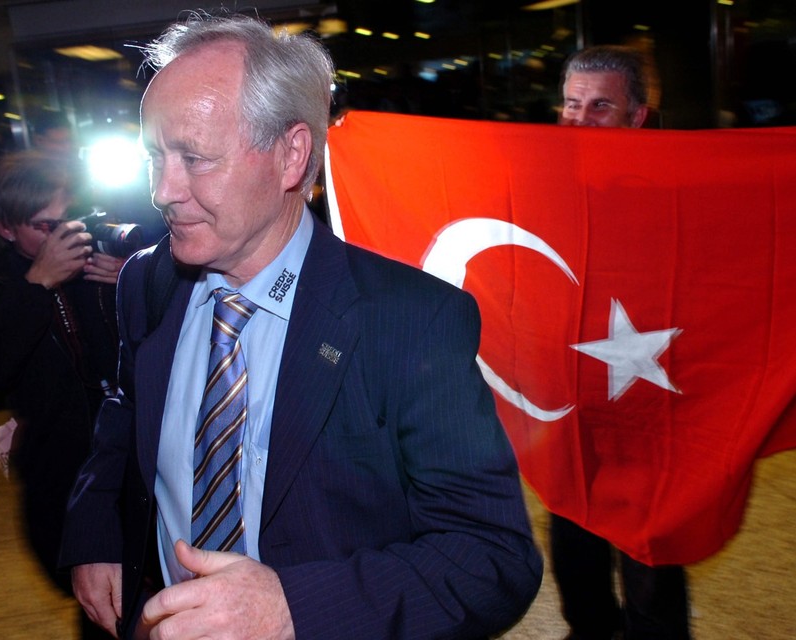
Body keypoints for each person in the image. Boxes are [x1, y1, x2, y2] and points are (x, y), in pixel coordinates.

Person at [59, 10, 542, 640]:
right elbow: (124, 413)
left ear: (291, 156)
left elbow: (492, 560)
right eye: (155, 155)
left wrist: (294, 607)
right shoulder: (146, 283)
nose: (162, 190)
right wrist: (96, 528)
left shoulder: (410, 321)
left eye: (193, 158)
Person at [551, 45, 692, 640]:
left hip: (652, 399)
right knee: (574, 551)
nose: (580, 119)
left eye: (600, 106)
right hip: (570, 400)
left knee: (650, 556)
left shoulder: (679, 188)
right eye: (572, 105)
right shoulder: (540, 180)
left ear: (637, 115)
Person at [0, 150, 124, 640]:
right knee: (100, 606)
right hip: (63, 478)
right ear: (5, 229)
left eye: (64, 221)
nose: (59, 238)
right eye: (41, 226)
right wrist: (37, 286)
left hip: (128, 461)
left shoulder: (98, 264)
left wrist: (134, 284)